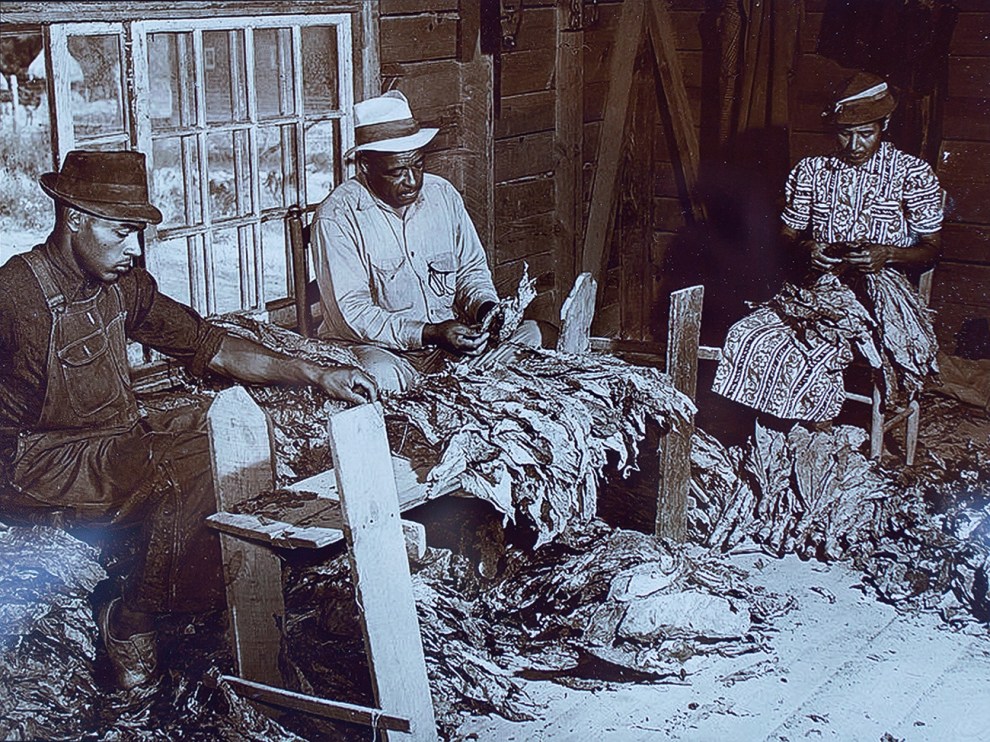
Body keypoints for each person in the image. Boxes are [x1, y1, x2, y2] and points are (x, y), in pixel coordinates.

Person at [0, 149, 377, 690]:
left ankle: (221, 595)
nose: (134, 249)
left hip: (112, 445)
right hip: (40, 466)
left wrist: (315, 373)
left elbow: (209, 344)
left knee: (222, 425)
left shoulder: (123, 284)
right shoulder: (14, 294)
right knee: (197, 453)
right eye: (121, 232)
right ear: (74, 217)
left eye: (138, 234)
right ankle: (130, 621)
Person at [712, 72, 943, 423]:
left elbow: (932, 248)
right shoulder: (812, 171)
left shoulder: (911, 173)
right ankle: (778, 433)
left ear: (884, 125)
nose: (855, 145)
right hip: (817, 290)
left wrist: (888, 254)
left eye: (866, 133)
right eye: (845, 133)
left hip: (880, 296)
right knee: (749, 335)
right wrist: (807, 248)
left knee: (817, 348)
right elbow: (786, 236)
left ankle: (811, 429)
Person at [311, 90, 541, 393]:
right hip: (377, 350)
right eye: (397, 172)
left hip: (446, 347)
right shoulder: (338, 216)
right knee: (379, 376)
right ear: (365, 165)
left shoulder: (442, 195)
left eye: (418, 165)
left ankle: (459, 390)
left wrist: (486, 310)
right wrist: (429, 332)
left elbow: (470, 270)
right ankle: (455, 391)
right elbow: (353, 314)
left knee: (532, 335)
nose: (412, 181)